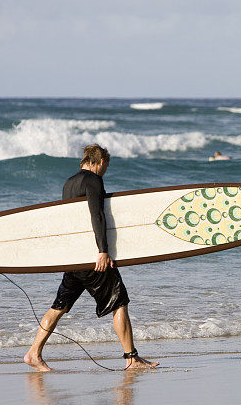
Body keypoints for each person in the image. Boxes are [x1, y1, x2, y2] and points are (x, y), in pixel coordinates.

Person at [24, 144, 159, 372]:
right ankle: (132, 358)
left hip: (75, 258)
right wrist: (103, 251)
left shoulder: (69, 183)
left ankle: (33, 353)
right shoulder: (93, 181)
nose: (105, 171)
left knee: (59, 306)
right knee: (119, 301)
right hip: (93, 258)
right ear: (98, 162)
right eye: (105, 166)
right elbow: (97, 215)